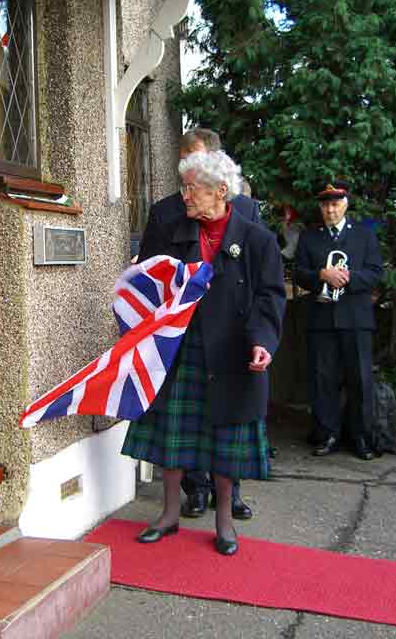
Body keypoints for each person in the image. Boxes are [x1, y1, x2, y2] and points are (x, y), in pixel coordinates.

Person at [122, 150, 285, 555]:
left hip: (233, 351)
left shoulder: (257, 239)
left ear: (220, 192)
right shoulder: (171, 228)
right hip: (180, 349)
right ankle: (169, 514)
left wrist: (262, 341)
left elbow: (270, 297)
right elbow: (148, 281)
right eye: (184, 187)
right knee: (173, 435)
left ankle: (225, 521)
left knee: (224, 437)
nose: (186, 196)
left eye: (192, 188)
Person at [138, 128, 261, 521]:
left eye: (197, 159)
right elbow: (150, 274)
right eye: (183, 159)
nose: (186, 172)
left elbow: (262, 284)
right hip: (186, 333)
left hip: (229, 337)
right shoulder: (167, 212)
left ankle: (232, 495)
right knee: (183, 423)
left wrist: (259, 337)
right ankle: (194, 492)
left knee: (227, 419)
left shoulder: (246, 212)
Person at [293, 181, 383, 460]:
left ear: (345, 205)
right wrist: (321, 275)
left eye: (335, 204)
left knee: (360, 380)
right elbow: (298, 273)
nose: (330, 209)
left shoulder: (365, 236)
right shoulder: (310, 237)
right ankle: (327, 435)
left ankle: (361, 438)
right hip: (322, 318)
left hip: (356, 318)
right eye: (325, 205)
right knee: (324, 381)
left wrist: (348, 277)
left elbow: (376, 273)